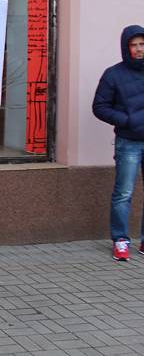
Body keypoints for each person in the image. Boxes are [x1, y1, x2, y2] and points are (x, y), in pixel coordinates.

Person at [92, 25, 144, 262]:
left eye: (142, 44)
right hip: (128, 142)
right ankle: (120, 240)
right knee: (123, 193)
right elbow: (100, 107)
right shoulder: (113, 74)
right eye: (133, 45)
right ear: (126, 48)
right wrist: (127, 120)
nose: (138, 49)